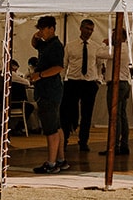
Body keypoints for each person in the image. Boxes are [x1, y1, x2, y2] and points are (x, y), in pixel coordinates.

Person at [27, 16, 66, 173]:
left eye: (42, 29)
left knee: (50, 129)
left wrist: (40, 75)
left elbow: (58, 67)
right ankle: (61, 159)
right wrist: (36, 35)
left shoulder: (56, 46)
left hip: (49, 91)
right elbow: (35, 43)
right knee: (56, 126)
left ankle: (51, 163)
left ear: (51, 28)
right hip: (48, 90)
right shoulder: (46, 44)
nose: (40, 32)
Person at [63, 19, 101, 154]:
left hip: (89, 83)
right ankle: (65, 139)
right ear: (80, 28)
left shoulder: (96, 47)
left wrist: (98, 80)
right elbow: (64, 64)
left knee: (87, 114)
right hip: (73, 82)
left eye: (91, 30)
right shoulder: (70, 46)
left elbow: (99, 64)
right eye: (86, 28)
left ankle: (83, 141)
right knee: (68, 112)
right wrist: (63, 80)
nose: (88, 32)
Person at [97, 23, 133, 157]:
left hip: (116, 84)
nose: (111, 38)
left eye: (113, 35)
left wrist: (104, 44)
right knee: (122, 116)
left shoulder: (116, 48)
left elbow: (99, 53)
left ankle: (114, 147)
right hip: (125, 83)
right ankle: (124, 144)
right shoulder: (128, 50)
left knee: (115, 116)